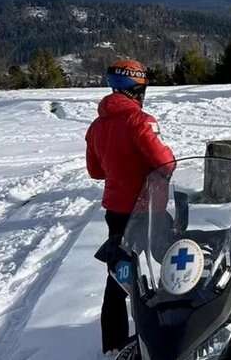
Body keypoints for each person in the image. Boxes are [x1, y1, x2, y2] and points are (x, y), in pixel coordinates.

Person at [85, 59, 175, 354]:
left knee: (119, 276)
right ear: (136, 89)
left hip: (116, 211)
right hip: (148, 209)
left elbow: (95, 171)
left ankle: (113, 344)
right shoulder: (141, 121)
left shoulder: (97, 126)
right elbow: (165, 162)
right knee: (167, 268)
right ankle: (170, 331)